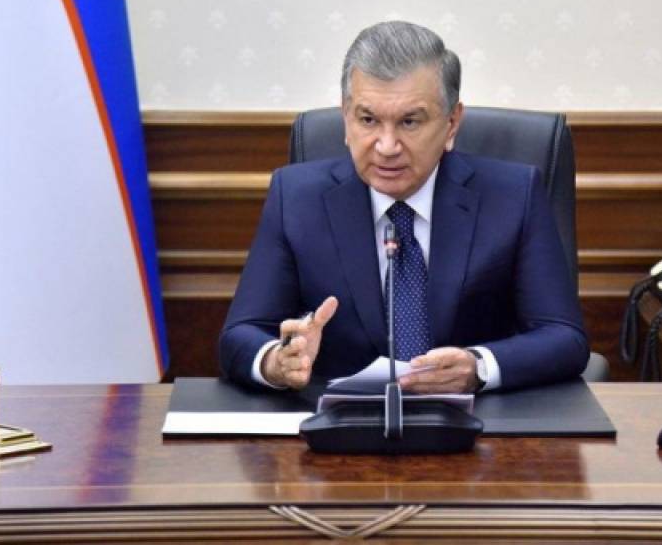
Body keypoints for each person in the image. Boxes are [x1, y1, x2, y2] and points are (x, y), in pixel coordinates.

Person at [219, 21, 588, 393]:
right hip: (340, 420)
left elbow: (564, 337)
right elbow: (239, 335)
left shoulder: (513, 196)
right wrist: (277, 361)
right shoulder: (296, 198)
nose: (387, 146)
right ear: (346, 118)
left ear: (451, 123)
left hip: (481, 422)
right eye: (368, 120)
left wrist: (478, 367)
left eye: (409, 122)